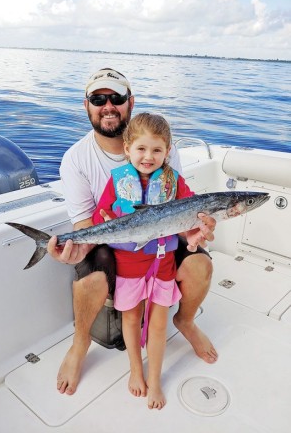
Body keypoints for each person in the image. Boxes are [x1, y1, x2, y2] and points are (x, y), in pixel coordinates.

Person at [47, 68, 217, 398]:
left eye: (117, 98)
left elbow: (176, 209)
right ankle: (80, 344)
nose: (108, 105)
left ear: (130, 102)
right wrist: (76, 248)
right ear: (87, 106)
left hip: (163, 238)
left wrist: (194, 233)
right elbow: (86, 225)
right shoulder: (76, 159)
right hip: (109, 238)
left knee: (201, 264)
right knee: (92, 278)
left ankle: (185, 321)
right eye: (99, 99)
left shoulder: (163, 149)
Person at [92, 112, 202, 409]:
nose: (148, 156)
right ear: (127, 148)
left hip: (163, 266)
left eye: (157, 150)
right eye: (141, 149)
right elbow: (97, 216)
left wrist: (197, 230)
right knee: (130, 318)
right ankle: (135, 369)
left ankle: (154, 379)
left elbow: (192, 215)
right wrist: (106, 220)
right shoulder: (116, 182)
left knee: (157, 325)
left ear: (168, 151)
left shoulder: (175, 182)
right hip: (128, 266)